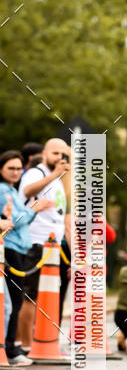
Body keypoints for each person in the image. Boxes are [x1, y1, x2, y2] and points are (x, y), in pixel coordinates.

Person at [0, 150, 54, 366]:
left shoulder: (11, 190)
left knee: (14, 301)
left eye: (17, 168)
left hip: (19, 249)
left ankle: (11, 347)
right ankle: (10, 349)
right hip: (11, 249)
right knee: (12, 303)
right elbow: (15, 220)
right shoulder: (4, 190)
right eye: (10, 168)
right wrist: (35, 208)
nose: (15, 172)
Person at [16, 138, 69, 352]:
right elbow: (27, 192)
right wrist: (56, 173)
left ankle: (39, 341)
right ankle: (25, 344)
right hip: (35, 241)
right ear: (45, 152)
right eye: (55, 153)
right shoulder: (36, 173)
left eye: (63, 154)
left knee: (41, 296)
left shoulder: (56, 178)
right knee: (29, 296)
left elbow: (65, 205)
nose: (59, 158)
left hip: (52, 246)